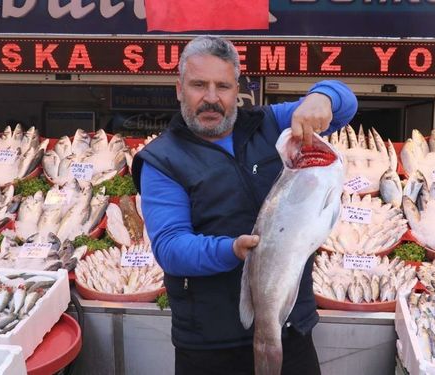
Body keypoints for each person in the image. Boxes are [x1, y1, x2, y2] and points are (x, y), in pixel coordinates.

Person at [131, 35, 357, 374]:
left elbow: (345, 104)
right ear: (179, 89)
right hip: (210, 342)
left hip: (290, 323)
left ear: (238, 89)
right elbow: (170, 247)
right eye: (198, 85)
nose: (211, 98)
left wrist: (322, 96)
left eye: (222, 86)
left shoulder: (271, 123)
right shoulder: (162, 159)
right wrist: (231, 250)